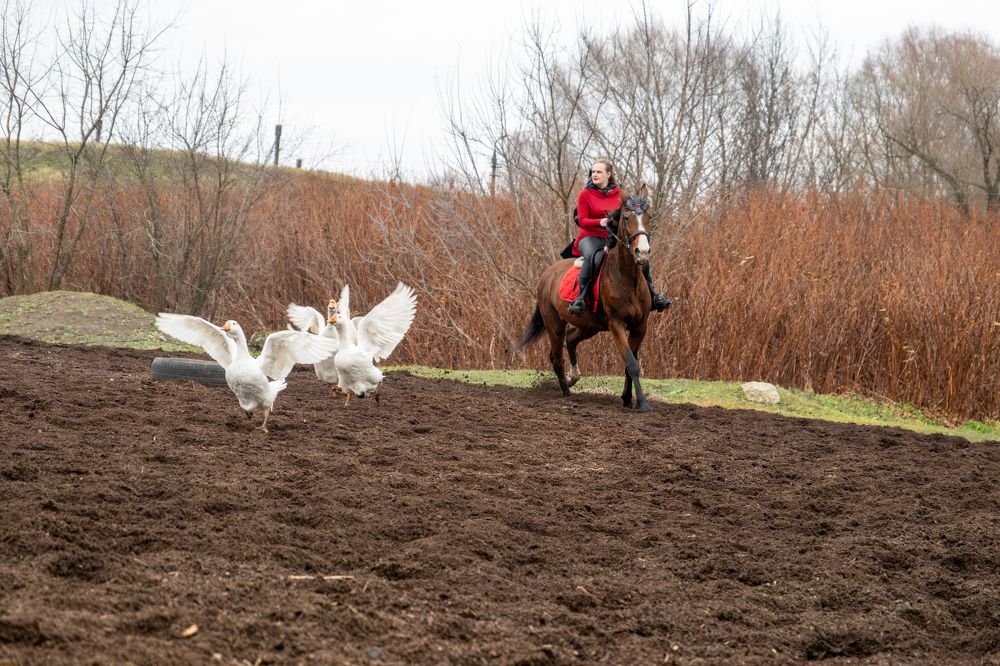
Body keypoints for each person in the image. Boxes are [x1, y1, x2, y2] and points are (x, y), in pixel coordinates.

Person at [567, 159, 671, 316]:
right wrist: (600, 221)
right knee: (593, 257)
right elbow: (582, 221)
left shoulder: (619, 194)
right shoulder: (585, 194)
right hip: (589, 236)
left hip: (613, 236)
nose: (594, 174)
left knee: (640, 258)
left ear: (608, 174)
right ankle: (580, 299)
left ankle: (654, 294)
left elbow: (629, 216)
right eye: (593, 172)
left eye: (599, 172)